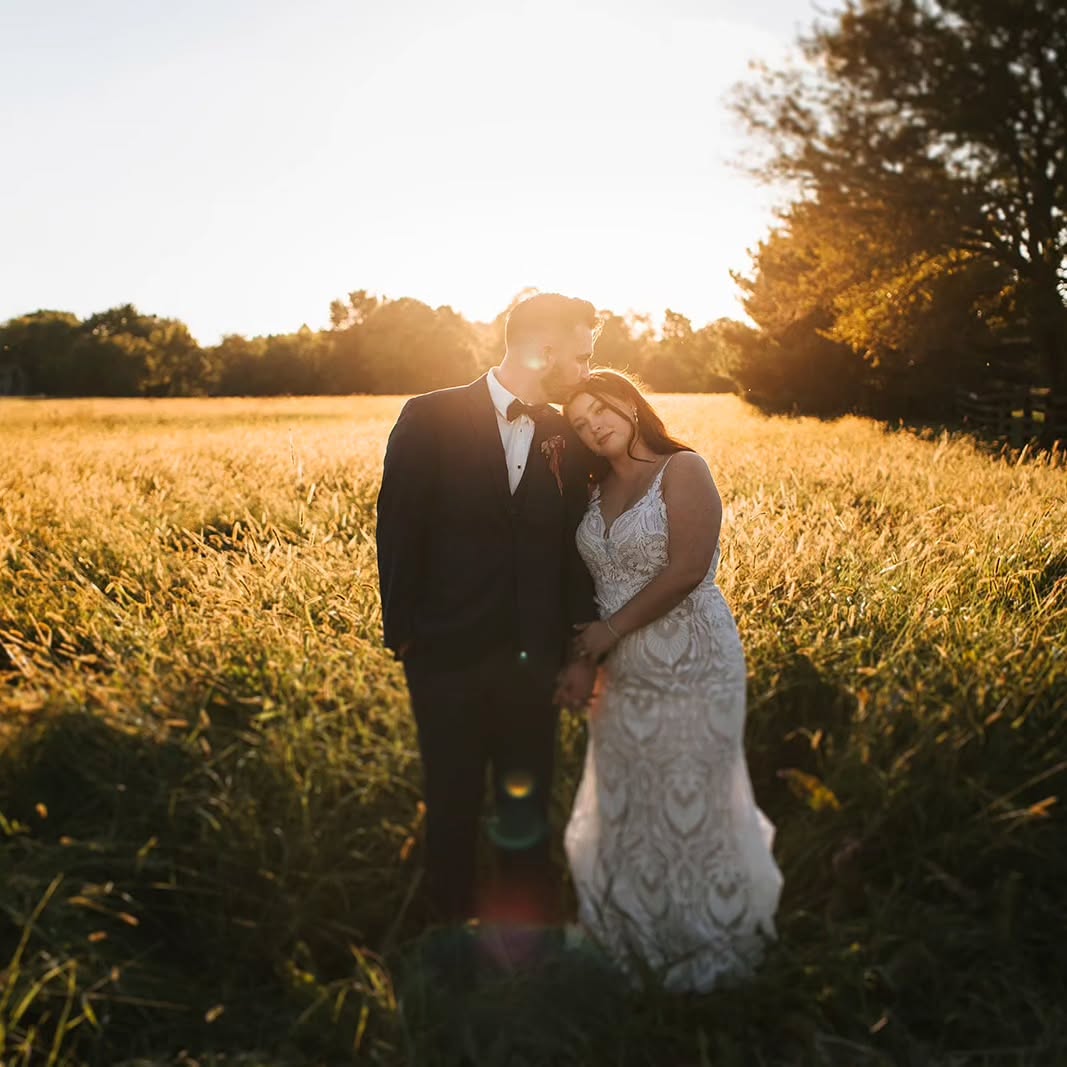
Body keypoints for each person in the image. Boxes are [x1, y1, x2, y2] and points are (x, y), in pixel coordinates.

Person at [375, 293, 600, 949]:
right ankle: (446, 937)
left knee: (525, 803)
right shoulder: (429, 415)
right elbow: (398, 527)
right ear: (546, 348)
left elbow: (575, 550)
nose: (585, 371)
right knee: (450, 800)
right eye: (581, 356)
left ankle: (524, 945)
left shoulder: (567, 433)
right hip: (442, 654)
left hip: (534, 659)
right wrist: (406, 635)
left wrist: (578, 648)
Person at [557, 369, 783, 993]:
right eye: (579, 423)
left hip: (694, 660)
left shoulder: (684, 469)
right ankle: (635, 933)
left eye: (600, 410)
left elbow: (686, 569)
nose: (593, 426)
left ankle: (704, 941)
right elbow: (588, 583)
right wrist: (588, 654)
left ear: (630, 403)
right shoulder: (592, 486)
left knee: (693, 795)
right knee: (630, 798)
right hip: (624, 675)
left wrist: (608, 633)